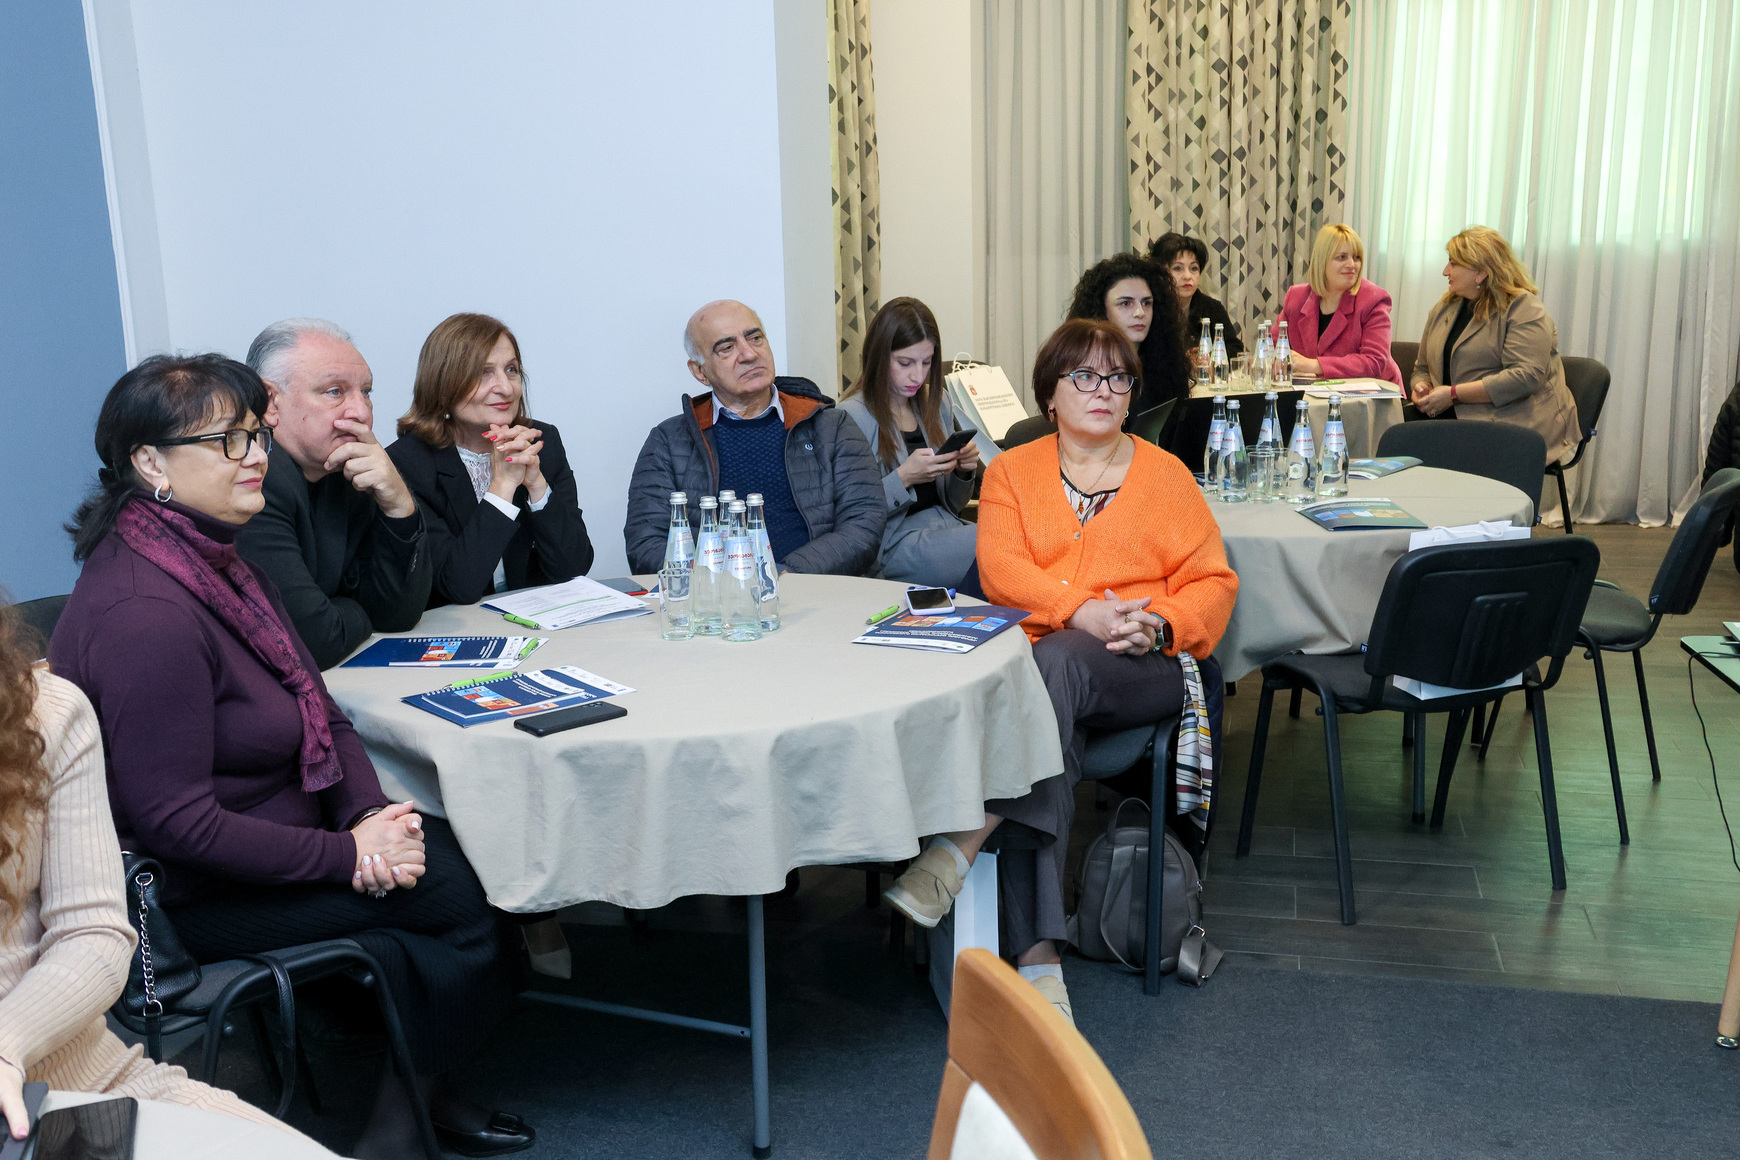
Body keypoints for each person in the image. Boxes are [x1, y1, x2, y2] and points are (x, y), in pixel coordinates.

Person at [50, 355, 531, 1160]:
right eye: (227, 442)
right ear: (150, 464)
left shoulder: (213, 559)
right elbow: (177, 827)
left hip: (274, 846)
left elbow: (323, 710)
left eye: (254, 436)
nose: (255, 458)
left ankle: (413, 1094)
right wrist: (349, 855)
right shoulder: (145, 612)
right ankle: (401, 1125)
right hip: (189, 900)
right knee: (463, 893)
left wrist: (369, 815)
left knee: (441, 867)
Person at [882, 319, 1238, 1023]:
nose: (1103, 390)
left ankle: (962, 844)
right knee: (1054, 708)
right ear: (1050, 394)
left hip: (1149, 667)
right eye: (1084, 376)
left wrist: (1158, 623)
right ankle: (1041, 961)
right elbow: (1003, 570)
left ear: (1131, 395)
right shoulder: (1012, 472)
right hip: (1049, 675)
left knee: (1056, 666)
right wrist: (1081, 611)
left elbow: (1213, 581)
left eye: (1117, 378)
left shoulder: (1167, 477)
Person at [0, 602, 299, 1140]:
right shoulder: (137, 610)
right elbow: (184, 823)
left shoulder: (43, 713)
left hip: (87, 1081)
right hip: (204, 889)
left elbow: (92, 931)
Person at [624, 300, 885, 575]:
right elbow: (646, 543)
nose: (749, 354)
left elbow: (864, 522)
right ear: (699, 371)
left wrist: (788, 574)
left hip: (818, 587)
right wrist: (725, 582)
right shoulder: (668, 442)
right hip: (715, 596)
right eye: (727, 347)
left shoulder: (831, 426)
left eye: (755, 338)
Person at [236, 318, 432, 669]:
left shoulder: (348, 467)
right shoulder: (253, 476)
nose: (361, 412)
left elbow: (399, 614)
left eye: (366, 392)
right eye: (335, 392)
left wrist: (399, 504)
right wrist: (357, 611)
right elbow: (313, 640)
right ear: (270, 403)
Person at [388, 313, 593, 606]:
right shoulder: (407, 463)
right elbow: (457, 587)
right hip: (452, 625)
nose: (506, 388)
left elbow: (574, 569)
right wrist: (502, 486)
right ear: (443, 383)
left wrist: (537, 486)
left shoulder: (541, 441)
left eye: (511, 370)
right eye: (484, 373)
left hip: (531, 621)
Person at [838, 298, 980, 588]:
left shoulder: (936, 402)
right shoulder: (851, 416)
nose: (918, 375)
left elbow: (954, 504)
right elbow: (849, 515)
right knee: (1000, 539)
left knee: (1009, 532)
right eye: (905, 363)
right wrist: (904, 477)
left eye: (927, 362)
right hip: (893, 544)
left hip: (946, 531)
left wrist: (963, 471)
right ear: (879, 357)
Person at [1409, 226, 1580, 463]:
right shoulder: (1444, 308)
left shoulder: (1524, 308)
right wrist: (1421, 387)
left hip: (1513, 421)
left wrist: (1454, 394)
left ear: (1481, 272)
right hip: (1451, 418)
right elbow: (1421, 368)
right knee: (1395, 438)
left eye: (1453, 264)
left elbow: (1525, 377)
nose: (1445, 271)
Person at [1065, 252, 1191, 419]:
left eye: (1146, 303)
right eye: (1125, 303)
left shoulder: (1167, 363)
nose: (1140, 312)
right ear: (1101, 310)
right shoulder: (1082, 368)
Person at [1275, 224, 1403, 386]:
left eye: (1357, 257)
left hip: (1373, 394)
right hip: (1314, 392)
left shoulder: (1374, 299)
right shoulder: (1296, 297)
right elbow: (1272, 349)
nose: (1352, 264)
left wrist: (1315, 365)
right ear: (1322, 261)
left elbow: (1374, 361)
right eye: (1342, 257)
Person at [1149, 231, 1244, 360]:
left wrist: (1208, 357)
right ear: (1161, 273)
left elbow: (1235, 349)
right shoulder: (1150, 308)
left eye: (1194, 268)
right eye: (1177, 268)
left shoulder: (1212, 308)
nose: (1187, 276)